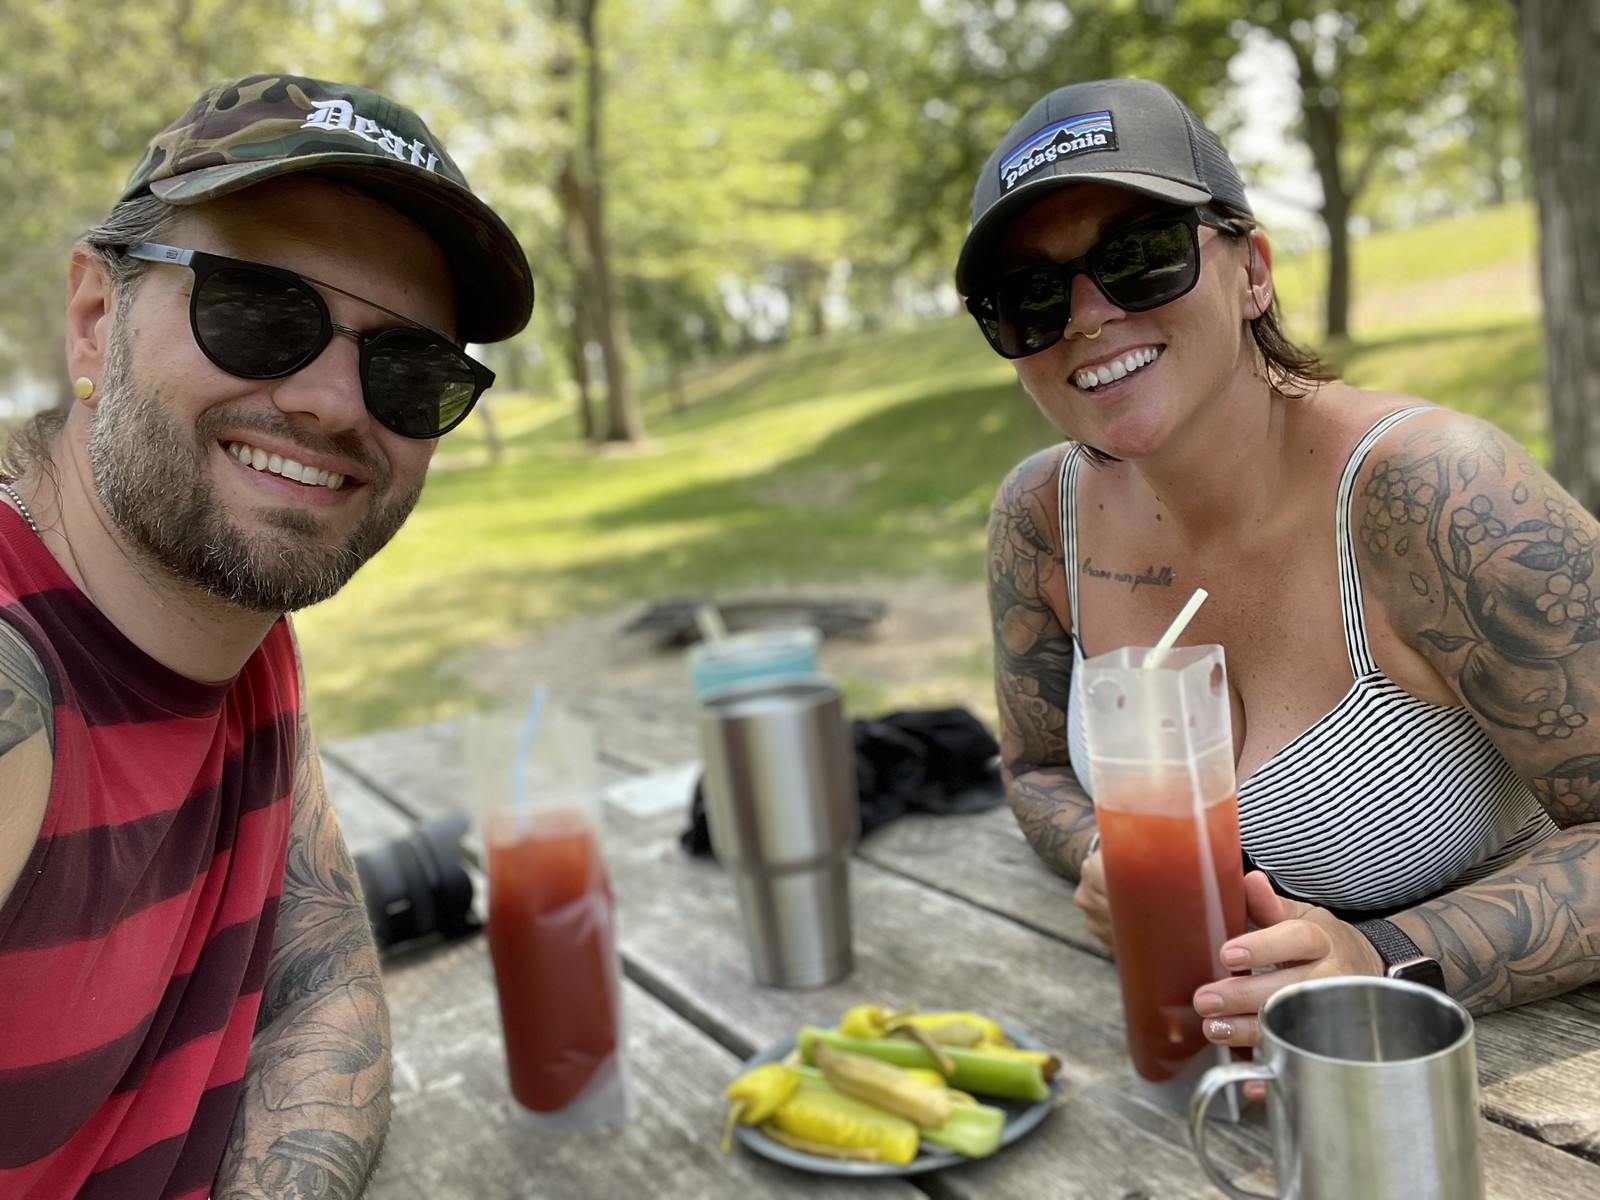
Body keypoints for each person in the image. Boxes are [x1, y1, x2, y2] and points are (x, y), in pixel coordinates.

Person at [962, 77, 1600, 1051]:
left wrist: (1377, 961)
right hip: (1185, 1070)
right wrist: (1106, 856)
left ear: (1252, 271)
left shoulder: (1437, 493)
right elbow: (1037, 769)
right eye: (1030, 296)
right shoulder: (1039, 519)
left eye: (1138, 257)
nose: (1086, 316)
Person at [0, 75, 534, 1199]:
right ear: (95, 318)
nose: (334, 404)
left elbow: (323, 985)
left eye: (410, 370)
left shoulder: (228, 614)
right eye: (256, 311)